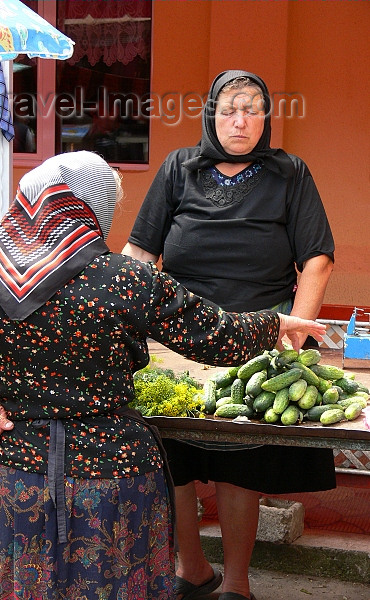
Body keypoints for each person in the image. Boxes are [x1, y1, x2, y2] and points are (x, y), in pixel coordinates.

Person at [0, 151, 327, 600]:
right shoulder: (127, 280)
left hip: (13, 478)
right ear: (93, 211)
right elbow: (217, 336)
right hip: (113, 479)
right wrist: (275, 324)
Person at [122, 69, 336, 600]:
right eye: (228, 108)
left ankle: (236, 585)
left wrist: (297, 340)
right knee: (174, 456)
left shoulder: (290, 173)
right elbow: (141, 254)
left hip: (258, 339)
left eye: (252, 108)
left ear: (266, 117)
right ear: (211, 114)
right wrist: (119, 320)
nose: (239, 120)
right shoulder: (179, 168)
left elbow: (317, 260)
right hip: (178, 337)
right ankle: (191, 569)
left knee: (238, 460)